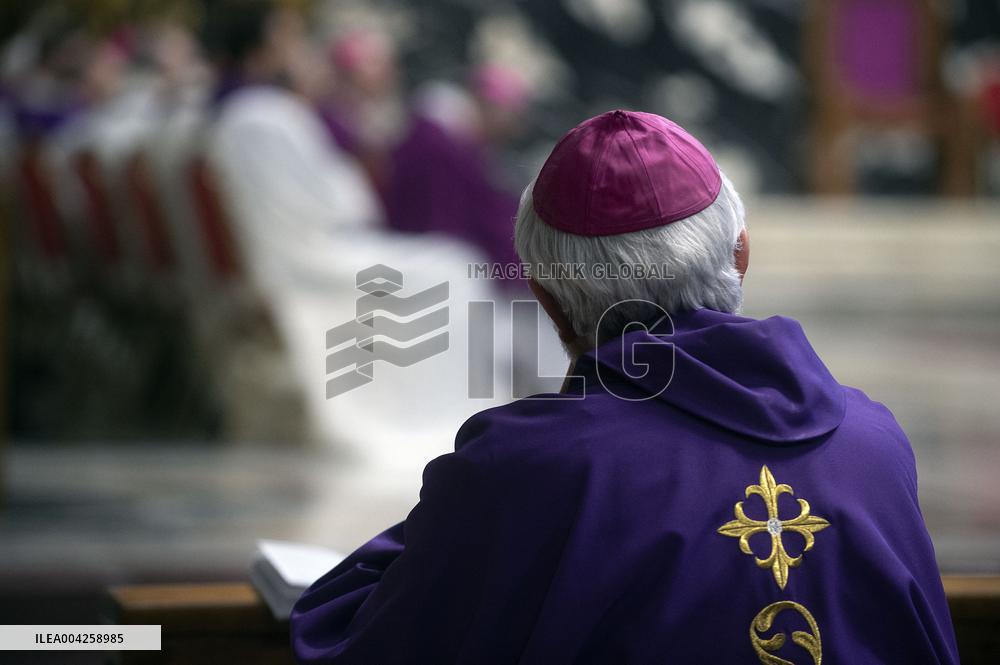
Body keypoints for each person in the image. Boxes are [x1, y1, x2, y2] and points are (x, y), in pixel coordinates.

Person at [291, 110, 959, 663]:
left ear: (546, 299)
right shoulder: (876, 443)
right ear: (742, 255)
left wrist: (457, 514)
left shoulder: (521, 468)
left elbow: (357, 638)